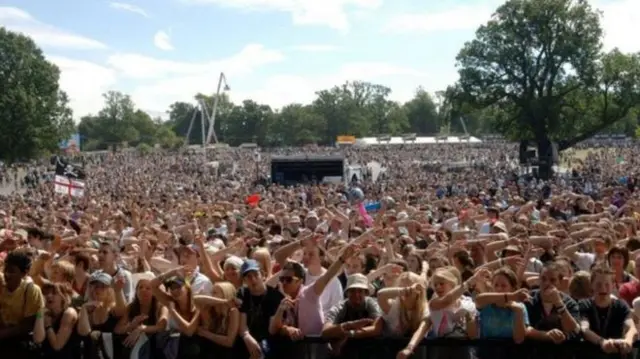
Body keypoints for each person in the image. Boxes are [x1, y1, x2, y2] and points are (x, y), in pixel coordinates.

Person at [0, 250, 45, 358]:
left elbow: (27, 325)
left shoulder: (31, 290)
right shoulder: (1, 286)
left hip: (19, 344)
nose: (7, 274)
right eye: (6, 270)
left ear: (24, 273)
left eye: (12, 271)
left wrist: (3, 334)